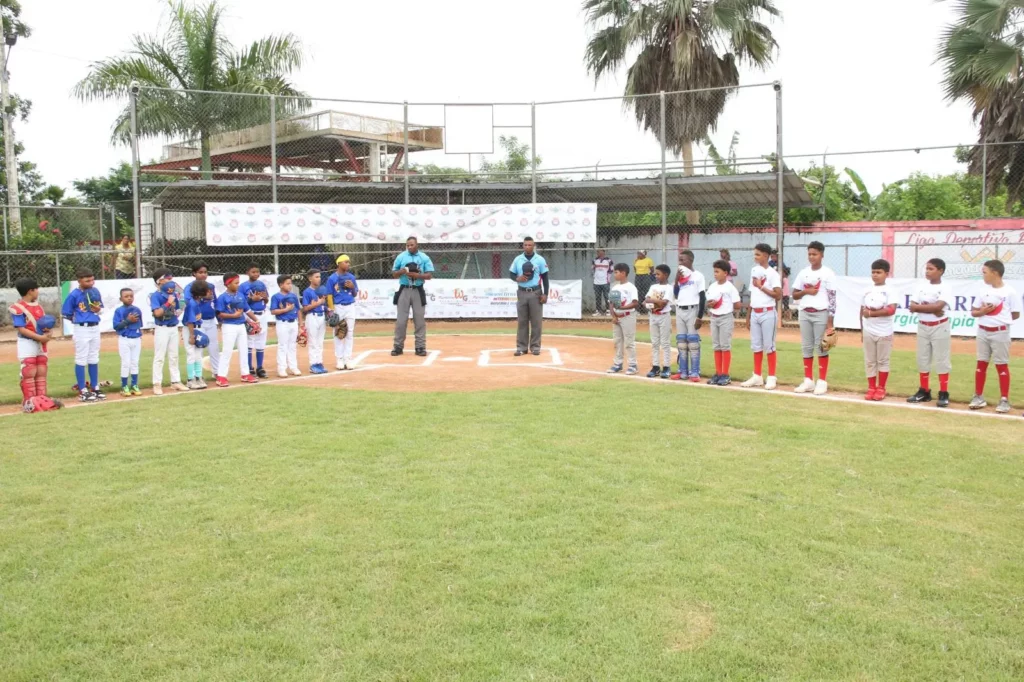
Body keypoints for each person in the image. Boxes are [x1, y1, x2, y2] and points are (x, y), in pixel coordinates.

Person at [969, 259, 1021, 413]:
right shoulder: (982, 290)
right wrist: (983, 312)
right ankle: (978, 396)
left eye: (985, 272)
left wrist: (1000, 320)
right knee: (981, 364)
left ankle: (1004, 399)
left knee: (1001, 365)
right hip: (983, 331)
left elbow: (1016, 313)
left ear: (995, 273)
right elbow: (974, 312)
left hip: (1000, 332)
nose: (983, 275)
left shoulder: (1009, 292)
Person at [792, 242, 837, 395]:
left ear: (822, 255)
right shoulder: (803, 272)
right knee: (806, 346)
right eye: (810, 254)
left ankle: (822, 381)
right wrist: (806, 291)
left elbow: (832, 298)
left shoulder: (828, 273)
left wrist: (830, 322)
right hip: (805, 311)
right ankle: (808, 380)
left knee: (822, 346)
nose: (812, 257)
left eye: (815, 254)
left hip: (821, 313)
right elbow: (794, 294)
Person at [907, 258, 952, 407]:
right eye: (926, 268)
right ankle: (924, 391)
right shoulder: (920, 287)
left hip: (940, 326)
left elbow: (938, 306)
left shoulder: (946, 287)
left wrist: (923, 308)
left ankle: (944, 392)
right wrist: (932, 308)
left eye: (931, 269)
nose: (927, 271)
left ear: (940, 271)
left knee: (942, 359)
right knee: (923, 358)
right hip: (923, 325)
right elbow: (912, 305)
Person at [740, 243, 782, 390]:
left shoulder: (773, 274)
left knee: (769, 345)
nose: (755, 257)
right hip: (756, 312)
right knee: (756, 345)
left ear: (766, 255)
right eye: (755, 254)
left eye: (758, 254)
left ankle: (771, 377)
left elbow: (778, 295)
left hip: (768, 312)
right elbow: (753, 294)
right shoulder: (754, 270)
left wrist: (761, 286)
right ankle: (757, 376)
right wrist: (748, 315)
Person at [10, 277, 55, 410]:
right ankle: (29, 402)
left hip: (40, 342)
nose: (38, 292)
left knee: (41, 369)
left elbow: (42, 324)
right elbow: (22, 329)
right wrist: (39, 337)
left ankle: (42, 400)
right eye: (36, 289)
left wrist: (48, 332)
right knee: (29, 370)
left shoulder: (38, 306)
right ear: (31, 291)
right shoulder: (17, 308)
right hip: (27, 342)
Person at [61, 268, 105, 402]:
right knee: (81, 358)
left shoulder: (95, 291)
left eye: (92, 279)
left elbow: (100, 308)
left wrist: (99, 310)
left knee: (93, 357)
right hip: (82, 328)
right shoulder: (74, 294)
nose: (91, 282)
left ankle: (94, 386)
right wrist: (79, 318)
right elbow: (66, 313)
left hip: (95, 326)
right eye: (87, 280)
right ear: (79, 281)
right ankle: (82, 389)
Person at [215, 273, 261, 387]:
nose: (238, 285)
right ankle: (221, 376)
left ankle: (245, 374)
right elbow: (219, 314)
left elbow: (247, 310)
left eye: (238, 282)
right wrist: (233, 316)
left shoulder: (240, 295)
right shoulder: (222, 297)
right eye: (235, 283)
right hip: (229, 326)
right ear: (228, 284)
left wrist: (256, 320)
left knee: (244, 350)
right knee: (227, 351)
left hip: (241, 325)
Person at [860, 259, 897, 401]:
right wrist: (862, 330)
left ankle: (881, 388)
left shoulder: (890, 291)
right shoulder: (867, 290)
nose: (875, 275)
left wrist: (872, 314)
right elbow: (862, 310)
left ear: (886, 274)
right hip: (868, 329)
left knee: (883, 360)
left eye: (879, 272)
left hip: (884, 331)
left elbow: (891, 309)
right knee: (870, 360)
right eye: (873, 272)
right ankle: (871, 387)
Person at [391, 236, 435, 356]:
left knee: (419, 320)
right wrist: (403, 271)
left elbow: (429, 275)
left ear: (417, 245)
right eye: (407, 245)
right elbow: (394, 274)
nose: (409, 247)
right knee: (401, 321)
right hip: (404, 290)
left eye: (412, 245)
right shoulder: (401, 257)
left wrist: (417, 276)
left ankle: (420, 347)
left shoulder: (424, 257)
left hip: (418, 290)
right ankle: (398, 347)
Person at [150, 269, 188, 396]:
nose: (171, 281)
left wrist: (177, 306)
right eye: (168, 278)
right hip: (162, 328)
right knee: (159, 356)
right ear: (160, 281)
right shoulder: (156, 295)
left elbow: (179, 307)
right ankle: (157, 383)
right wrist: (167, 303)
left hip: (173, 327)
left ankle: (175, 381)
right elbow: (157, 313)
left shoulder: (174, 294)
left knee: (174, 355)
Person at [670, 250, 706, 382]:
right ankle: (682, 371)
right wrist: (676, 280)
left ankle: (695, 372)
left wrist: (700, 317)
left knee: (693, 341)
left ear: (690, 260)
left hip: (692, 309)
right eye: (679, 260)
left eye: (682, 260)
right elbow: (676, 294)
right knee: (681, 341)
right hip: (680, 309)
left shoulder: (698, 276)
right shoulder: (681, 276)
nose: (680, 263)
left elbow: (702, 297)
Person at [511, 237, 550, 356]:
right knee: (522, 321)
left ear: (534, 246)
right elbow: (511, 274)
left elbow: (545, 278)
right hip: (522, 292)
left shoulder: (540, 260)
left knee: (536, 321)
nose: (527, 247)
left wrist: (545, 293)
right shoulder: (518, 259)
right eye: (525, 245)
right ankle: (522, 347)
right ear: (523, 246)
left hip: (535, 292)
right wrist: (518, 278)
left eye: (529, 245)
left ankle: (535, 347)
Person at [706, 260, 742, 386]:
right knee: (716, 345)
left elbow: (737, 304)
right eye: (714, 271)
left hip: (725, 317)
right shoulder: (712, 286)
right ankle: (718, 372)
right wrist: (711, 304)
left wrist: (726, 305)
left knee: (725, 345)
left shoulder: (729, 287)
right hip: (714, 317)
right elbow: (709, 301)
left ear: (725, 273)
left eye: (717, 271)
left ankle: (725, 374)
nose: (715, 274)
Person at [183, 261, 218, 380]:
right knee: (199, 347)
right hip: (199, 321)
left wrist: (219, 318)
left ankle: (216, 371)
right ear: (194, 273)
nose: (203, 275)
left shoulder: (211, 286)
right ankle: (198, 375)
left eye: (205, 272)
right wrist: (204, 296)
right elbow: (189, 302)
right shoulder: (190, 287)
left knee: (214, 346)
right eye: (200, 272)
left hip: (211, 320)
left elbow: (215, 302)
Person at [326, 255, 359, 370]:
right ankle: (339, 359)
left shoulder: (351, 277)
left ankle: (348, 358)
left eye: (349, 262)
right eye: (346, 262)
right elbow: (329, 295)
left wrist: (352, 287)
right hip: (338, 306)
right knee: (339, 332)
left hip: (350, 306)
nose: (348, 264)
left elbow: (355, 294)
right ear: (339, 264)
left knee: (349, 332)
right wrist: (331, 310)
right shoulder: (332, 278)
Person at [239, 263, 270, 379]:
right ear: (247, 272)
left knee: (261, 341)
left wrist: (265, 298)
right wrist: (252, 298)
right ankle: (249, 367)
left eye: (257, 271)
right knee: (250, 341)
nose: (256, 274)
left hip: (262, 314)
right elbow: (241, 302)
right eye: (253, 272)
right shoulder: (243, 286)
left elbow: (266, 300)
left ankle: (260, 367)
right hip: (250, 315)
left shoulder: (261, 284)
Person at [111, 287, 143, 396]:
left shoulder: (137, 310)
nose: (129, 298)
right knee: (126, 363)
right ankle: (124, 386)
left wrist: (139, 335)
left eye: (131, 296)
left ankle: (134, 385)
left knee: (135, 362)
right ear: (121, 298)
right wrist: (127, 321)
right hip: (124, 339)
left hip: (136, 339)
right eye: (126, 296)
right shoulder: (119, 311)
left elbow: (139, 325)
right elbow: (116, 326)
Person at [608, 262, 638, 375]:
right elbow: (611, 303)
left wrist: (622, 307)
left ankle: (632, 365)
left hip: (628, 316)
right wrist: (613, 316)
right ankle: (618, 363)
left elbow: (635, 303)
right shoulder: (615, 287)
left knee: (629, 342)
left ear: (623, 273)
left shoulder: (631, 287)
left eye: (616, 272)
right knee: (617, 341)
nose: (614, 274)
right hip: (617, 317)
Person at [645, 264, 674, 379]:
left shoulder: (669, 288)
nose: (656, 276)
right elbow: (645, 302)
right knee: (655, 342)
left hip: (663, 316)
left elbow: (663, 303)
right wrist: (656, 301)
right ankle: (655, 366)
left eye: (658, 274)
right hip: (653, 315)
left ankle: (666, 367)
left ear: (665, 275)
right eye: (655, 274)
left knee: (665, 342)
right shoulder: (653, 287)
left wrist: (652, 301)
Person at [271, 275, 302, 377]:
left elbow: (298, 310)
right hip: (282, 323)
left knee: (292, 345)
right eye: (287, 283)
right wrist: (285, 310)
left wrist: (300, 324)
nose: (290, 285)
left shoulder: (293, 296)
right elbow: (273, 311)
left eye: (290, 283)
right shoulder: (276, 297)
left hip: (293, 322)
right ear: (281, 285)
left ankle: (293, 367)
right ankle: (282, 368)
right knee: (283, 345)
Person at [181, 280, 209, 391]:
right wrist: (192, 336)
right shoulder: (192, 303)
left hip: (197, 328)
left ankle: (198, 377)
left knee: (198, 355)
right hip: (190, 330)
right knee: (191, 354)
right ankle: (190, 379)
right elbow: (190, 322)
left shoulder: (197, 302)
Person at [301, 269, 328, 374]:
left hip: (321, 317)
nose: (319, 279)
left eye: (319, 276)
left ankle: (319, 362)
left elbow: (323, 305)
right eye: (316, 277)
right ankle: (313, 364)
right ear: (310, 278)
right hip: (312, 317)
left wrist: (327, 309)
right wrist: (318, 303)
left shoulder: (322, 290)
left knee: (320, 342)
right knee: (313, 342)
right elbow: (305, 308)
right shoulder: (307, 292)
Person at [592, 249, 614, 316]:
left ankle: (608, 310)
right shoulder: (594, 260)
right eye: (598, 251)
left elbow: (611, 270)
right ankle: (598, 311)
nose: (599, 253)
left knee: (606, 296)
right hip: (596, 282)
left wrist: (608, 278)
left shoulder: (609, 261)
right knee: (597, 297)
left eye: (601, 251)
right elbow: (593, 269)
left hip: (605, 281)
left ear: (604, 252)